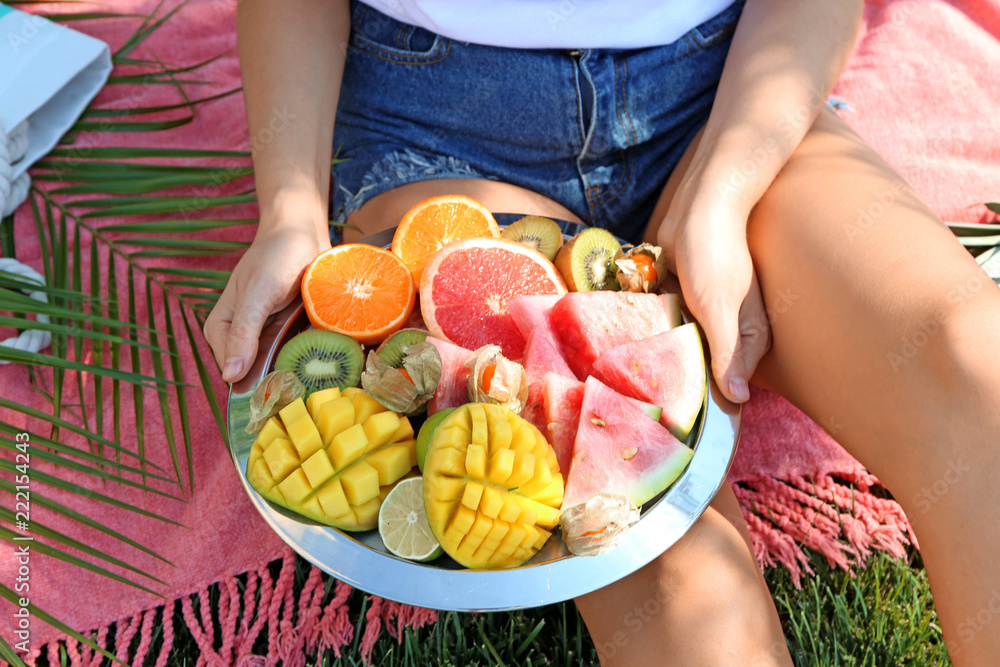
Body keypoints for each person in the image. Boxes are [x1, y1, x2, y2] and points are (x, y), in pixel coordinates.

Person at [204, 0, 1000, 663]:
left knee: (975, 365)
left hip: (722, 89)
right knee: (671, 568)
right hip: (433, 122)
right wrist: (292, 208)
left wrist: (723, 190)